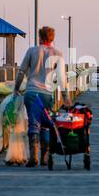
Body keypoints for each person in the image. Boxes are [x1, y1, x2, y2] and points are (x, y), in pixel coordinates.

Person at [14, 26, 72, 167]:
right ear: (52, 38)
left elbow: (21, 71)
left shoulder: (32, 51)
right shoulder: (57, 54)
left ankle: (33, 157)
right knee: (46, 125)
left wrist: (16, 88)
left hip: (31, 92)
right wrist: (66, 97)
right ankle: (44, 158)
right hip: (46, 93)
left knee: (33, 123)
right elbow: (61, 78)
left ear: (40, 37)